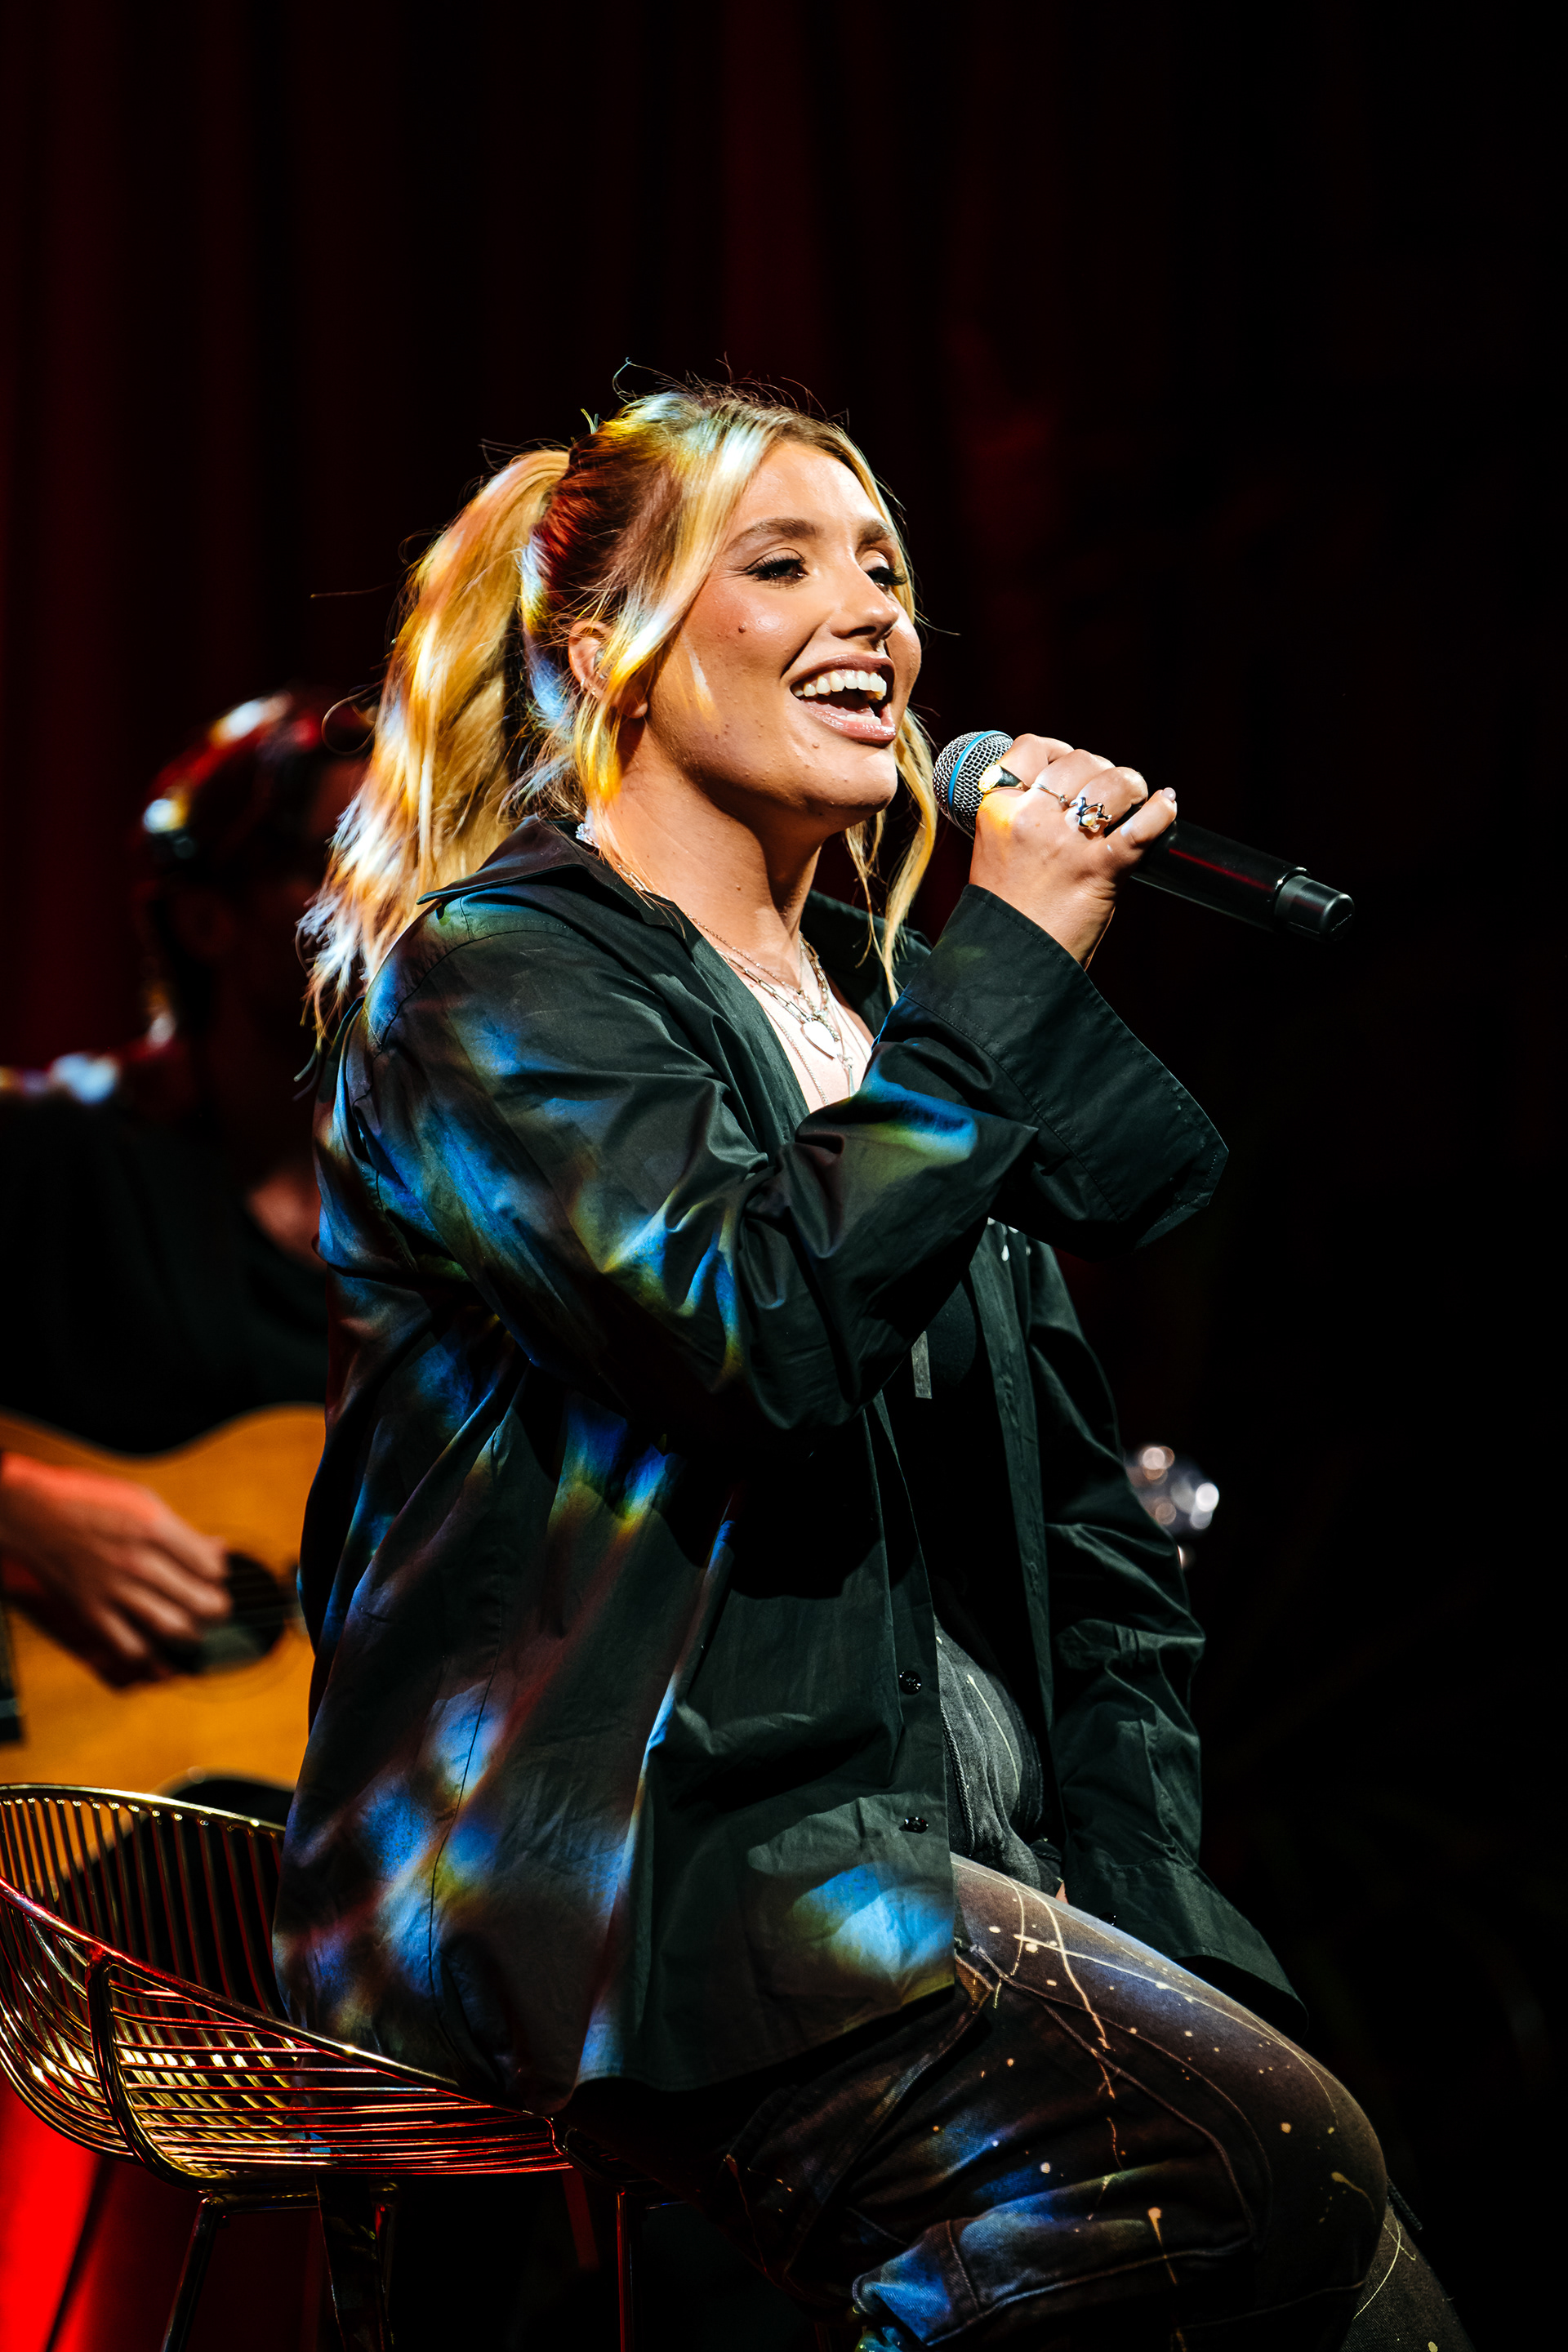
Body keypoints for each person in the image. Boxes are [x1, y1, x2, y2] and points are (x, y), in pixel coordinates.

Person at [275, 385, 1470, 2349]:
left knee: (1365, 2280)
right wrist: (1003, 973)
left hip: (935, 1856)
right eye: (784, 564)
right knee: (1258, 2164)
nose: (872, 617)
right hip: (639, 1866)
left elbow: (1088, 1539)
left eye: (889, 574)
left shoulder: (892, 1026)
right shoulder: (497, 977)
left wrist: (1149, 1896)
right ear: (610, 652)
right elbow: (754, 1334)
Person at [0, 689, 353, 1682]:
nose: (397, 902)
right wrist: (19, 1507)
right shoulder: (48, 1146)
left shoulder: (455, 1203)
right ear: (206, 918)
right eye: (343, 862)